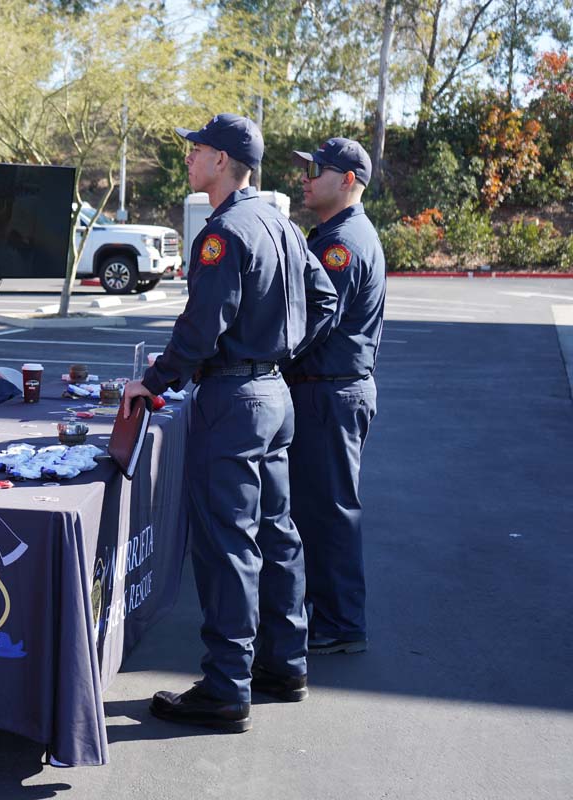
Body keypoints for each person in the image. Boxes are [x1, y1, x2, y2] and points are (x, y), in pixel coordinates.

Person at [121, 113, 337, 732]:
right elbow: (323, 299)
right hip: (273, 396)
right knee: (276, 534)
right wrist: (280, 349)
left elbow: (201, 328)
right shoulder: (280, 223)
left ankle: (224, 687)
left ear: (223, 161)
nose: (188, 157)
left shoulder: (222, 233)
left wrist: (154, 381)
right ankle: (284, 664)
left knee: (227, 546)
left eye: (197, 149)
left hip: (234, 404)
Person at [287, 138, 386, 655]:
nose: (305, 178)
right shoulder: (334, 234)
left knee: (330, 511)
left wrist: (261, 357)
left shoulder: (341, 244)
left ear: (347, 180)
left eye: (316, 170)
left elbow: (312, 322)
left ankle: (341, 623)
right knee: (320, 508)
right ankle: (333, 617)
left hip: (329, 392)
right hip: (330, 391)